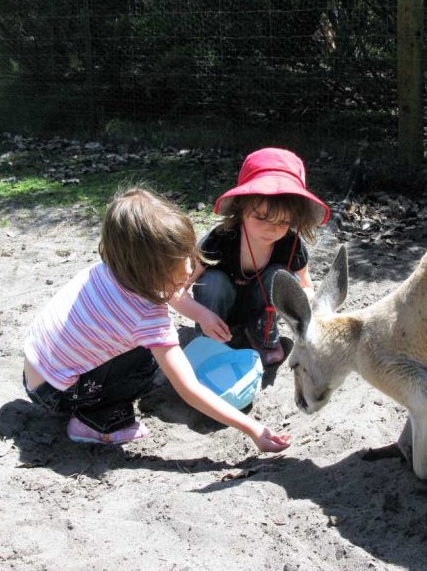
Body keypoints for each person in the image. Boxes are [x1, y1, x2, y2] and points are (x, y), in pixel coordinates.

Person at [21, 184, 292, 450]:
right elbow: (188, 388)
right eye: (180, 262)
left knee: (148, 347)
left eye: (188, 255)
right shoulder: (148, 318)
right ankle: (94, 423)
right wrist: (253, 429)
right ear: (151, 270)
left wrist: (202, 314)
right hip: (58, 395)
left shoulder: (110, 270)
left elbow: (162, 289)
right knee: (150, 362)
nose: (189, 267)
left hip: (37, 373)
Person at [187, 147, 330, 365]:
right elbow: (177, 290)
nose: (270, 229)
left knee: (281, 276)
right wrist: (200, 315)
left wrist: (308, 305)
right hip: (217, 315)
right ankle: (211, 340)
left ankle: (261, 335)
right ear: (241, 206)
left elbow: (305, 286)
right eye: (261, 217)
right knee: (212, 281)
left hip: (263, 313)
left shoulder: (290, 244)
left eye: (282, 222)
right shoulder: (221, 239)